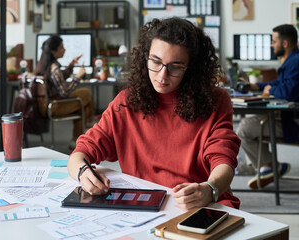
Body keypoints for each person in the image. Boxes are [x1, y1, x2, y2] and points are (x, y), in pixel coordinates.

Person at [68, 17, 241, 211]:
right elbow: (80, 153)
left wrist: (210, 188)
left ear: (191, 68)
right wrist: (83, 172)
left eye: (175, 66)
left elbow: (224, 161)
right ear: (145, 58)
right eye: (156, 62)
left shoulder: (216, 100)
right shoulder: (127, 102)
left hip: (201, 205)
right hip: (147, 207)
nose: (162, 75)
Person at [236, 24, 299, 189]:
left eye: (274, 41)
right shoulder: (293, 60)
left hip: (292, 122)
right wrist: (258, 86)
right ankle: (270, 166)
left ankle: (270, 166)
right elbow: (280, 83)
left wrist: (271, 89)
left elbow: (288, 92)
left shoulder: (295, 62)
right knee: (255, 122)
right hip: (287, 117)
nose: (272, 45)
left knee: (243, 130)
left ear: (285, 44)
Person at [34, 35, 95, 149]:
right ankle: (89, 121)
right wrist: (77, 78)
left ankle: (78, 136)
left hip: (47, 104)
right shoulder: (54, 68)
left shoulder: (44, 65)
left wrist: (71, 65)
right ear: (53, 51)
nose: (64, 49)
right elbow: (64, 93)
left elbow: (59, 80)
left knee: (83, 104)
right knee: (85, 94)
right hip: (54, 105)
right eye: (61, 47)